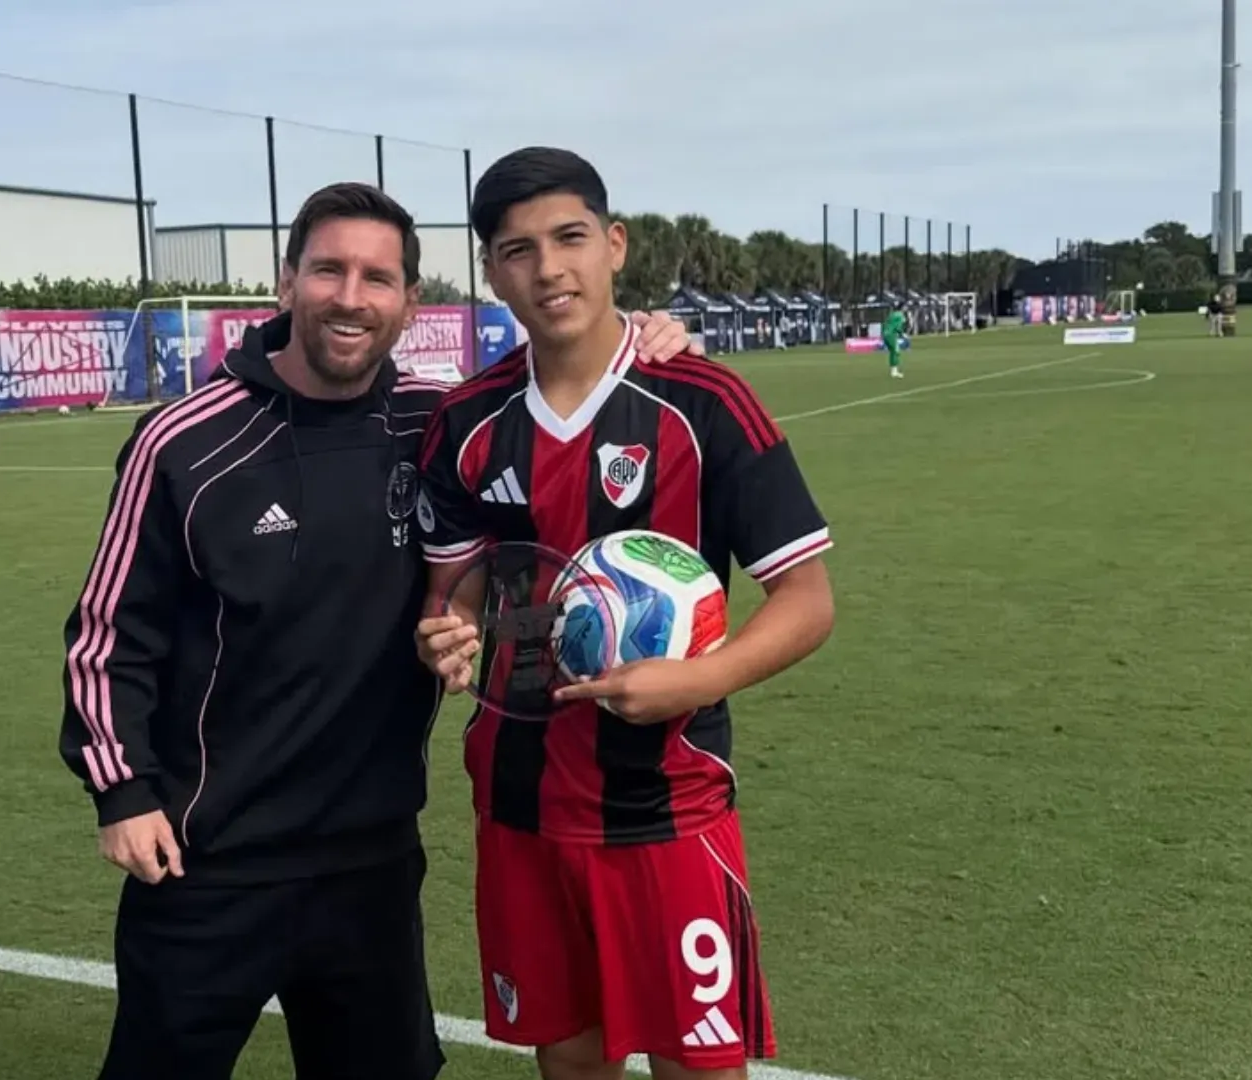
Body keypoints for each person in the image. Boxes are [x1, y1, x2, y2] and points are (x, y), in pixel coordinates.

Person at [57, 179, 697, 1080]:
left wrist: (651, 339)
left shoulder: (435, 424)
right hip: (208, 862)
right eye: (328, 270)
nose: (350, 297)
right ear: (287, 284)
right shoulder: (184, 443)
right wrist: (122, 793)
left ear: (410, 302)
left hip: (371, 861)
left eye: (378, 278)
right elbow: (109, 633)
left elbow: (564, 409)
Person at [412, 147, 838, 1080]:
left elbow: (806, 600)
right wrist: (449, 633)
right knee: (570, 1063)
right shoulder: (467, 423)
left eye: (570, 239)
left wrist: (703, 676)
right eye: (517, 250)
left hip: (668, 804)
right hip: (520, 801)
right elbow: (459, 597)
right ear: (492, 272)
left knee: (700, 1068)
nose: (548, 268)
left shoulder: (705, 404)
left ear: (614, 246)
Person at [881, 303, 908, 378]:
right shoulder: (900, 315)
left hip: (885, 334)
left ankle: (893, 371)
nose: (906, 308)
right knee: (896, 351)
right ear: (902, 307)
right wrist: (902, 334)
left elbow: (886, 323)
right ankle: (894, 372)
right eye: (905, 306)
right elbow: (898, 326)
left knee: (893, 352)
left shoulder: (892, 314)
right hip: (891, 334)